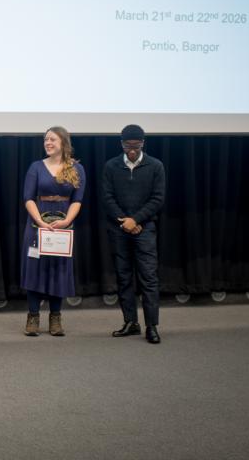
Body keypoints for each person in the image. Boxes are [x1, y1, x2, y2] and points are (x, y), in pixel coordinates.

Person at [102, 124, 166, 344]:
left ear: (143, 144)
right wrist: (125, 221)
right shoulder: (111, 166)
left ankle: (152, 326)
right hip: (119, 228)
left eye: (136, 145)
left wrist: (136, 220)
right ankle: (131, 322)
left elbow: (158, 199)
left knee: (148, 278)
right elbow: (108, 197)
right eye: (128, 145)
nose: (132, 150)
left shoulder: (155, 166)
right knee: (124, 277)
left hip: (145, 229)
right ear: (121, 144)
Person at [20, 126, 86, 337]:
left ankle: (55, 318)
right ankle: (33, 317)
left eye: (52, 140)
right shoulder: (36, 167)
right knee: (34, 268)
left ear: (63, 144)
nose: (47, 143)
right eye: (45, 140)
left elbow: (77, 200)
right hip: (38, 224)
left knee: (59, 268)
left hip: (62, 225)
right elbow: (28, 198)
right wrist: (39, 221)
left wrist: (67, 221)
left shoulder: (76, 168)